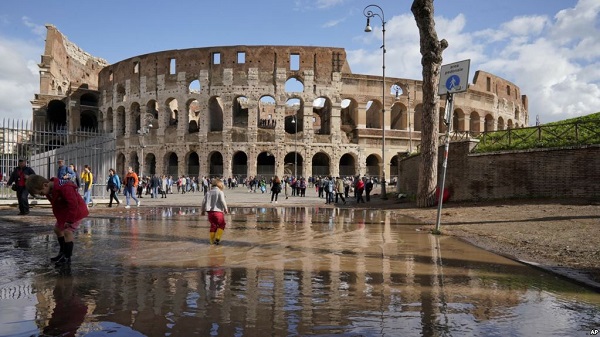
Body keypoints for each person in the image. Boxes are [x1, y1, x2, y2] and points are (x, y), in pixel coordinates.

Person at [26, 174, 89, 267]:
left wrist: (69, 220)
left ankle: (67, 257)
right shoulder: (49, 190)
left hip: (76, 211)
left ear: (45, 185)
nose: (42, 195)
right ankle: (62, 253)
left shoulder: (65, 187)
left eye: (41, 193)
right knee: (58, 229)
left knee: (68, 231)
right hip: (65, 212)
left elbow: (73, 204)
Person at [201, 178, 229, 245]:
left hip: (210, 213)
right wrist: (226, 209)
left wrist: (202, 210)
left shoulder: (208, 192)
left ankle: (211, 241)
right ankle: (217, 238)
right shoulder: (220, 192)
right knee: (222, 224)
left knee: (213, 225)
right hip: (218, 212)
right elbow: (222, 201)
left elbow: (203, 202)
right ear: (220, 185)